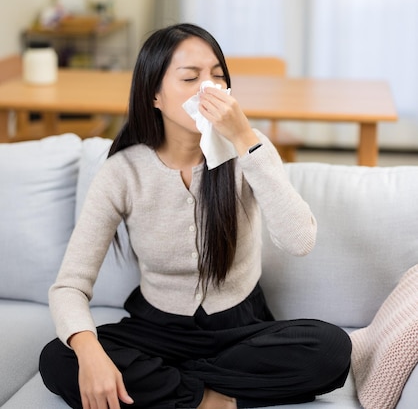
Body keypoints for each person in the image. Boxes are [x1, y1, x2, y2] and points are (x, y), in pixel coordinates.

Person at [39, 23, 351, 409]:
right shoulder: (123, 172)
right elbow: (69, 286)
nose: (209, 89)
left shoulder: (248, 149)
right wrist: (88, 352)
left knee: (332, 349)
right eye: (191, 77)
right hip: (156, 328)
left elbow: (299, 240)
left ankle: (171, 386)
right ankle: (212, 396)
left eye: (218, 78)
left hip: (240, 329)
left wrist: (245, 140)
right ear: (154, 94)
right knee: (58, 359)